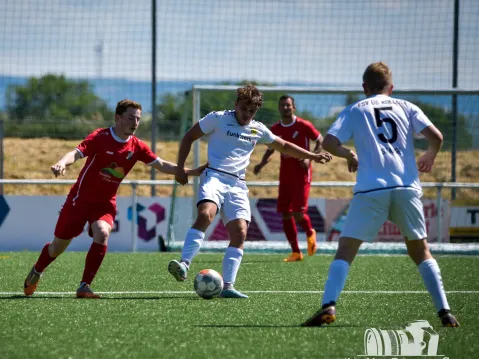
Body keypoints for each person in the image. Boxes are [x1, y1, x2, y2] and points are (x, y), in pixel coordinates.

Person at [302, 62, 459, 327]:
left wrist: (349, 154)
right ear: (391, 87)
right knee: (421, 252)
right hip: (406, 188)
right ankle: (445, 312)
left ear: (364, 87)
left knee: (346, 250)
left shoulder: (355, 110)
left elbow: (329, 142)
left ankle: (329, 305)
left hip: (371, 189)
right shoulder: (406, 107)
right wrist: (430, 155)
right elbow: (437, 136)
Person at [23, 99, 206, 298]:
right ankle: (37, 270)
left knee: (102, 233)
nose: (135, 122)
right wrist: (62, 163)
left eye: (138, 119)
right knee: (57, 248)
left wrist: (194, 171)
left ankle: (84, 286)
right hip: (80, 200)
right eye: (130, 118)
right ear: (118, 118)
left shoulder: (137, 146)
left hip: (105, 203)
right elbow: (76, 153)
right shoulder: (100, 137)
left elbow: (161, 164)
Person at [168, 85, 332, 298]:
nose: (247, 114)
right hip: (214, 176)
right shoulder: (217, 118)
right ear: (236, 104)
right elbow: (188, 137)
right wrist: (180, 169)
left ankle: (227, 287)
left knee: (240, 232)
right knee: (205, 214)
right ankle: (184, 264)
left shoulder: (258, 128)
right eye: (244, 108)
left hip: (237, 184)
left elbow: (283, 145)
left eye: (252, 111)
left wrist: (313, 156)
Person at [253, 95, 323, 262]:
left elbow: (320, 140)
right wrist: (261, 164)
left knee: (298, 213)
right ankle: (296, 252)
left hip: (301, 174)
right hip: (285, 175)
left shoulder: (304, 125)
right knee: (285, 213)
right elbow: (270, 149)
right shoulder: (275, 129)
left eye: (288, 105)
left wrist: (309, 158)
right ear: (279, 108)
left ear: (294, 108)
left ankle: (309, 232)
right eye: (282, 105)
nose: (285, 108)